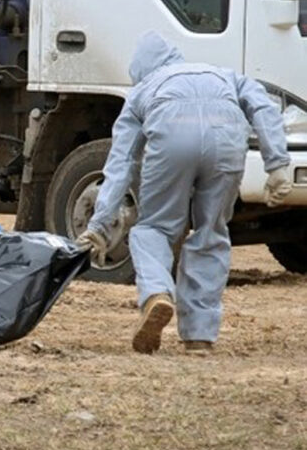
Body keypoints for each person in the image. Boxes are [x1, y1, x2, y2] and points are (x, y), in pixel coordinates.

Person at [77, 32, 291, 355]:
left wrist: (99, 225)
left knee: (153, 229)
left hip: (170, 135)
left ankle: (157, 294)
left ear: (140, 71)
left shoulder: (142, 91)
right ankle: (199, 336)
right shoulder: (222, 74)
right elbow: (263, 105)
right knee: (211, 233)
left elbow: (120, 163)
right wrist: (277, 164)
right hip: (227, 137)